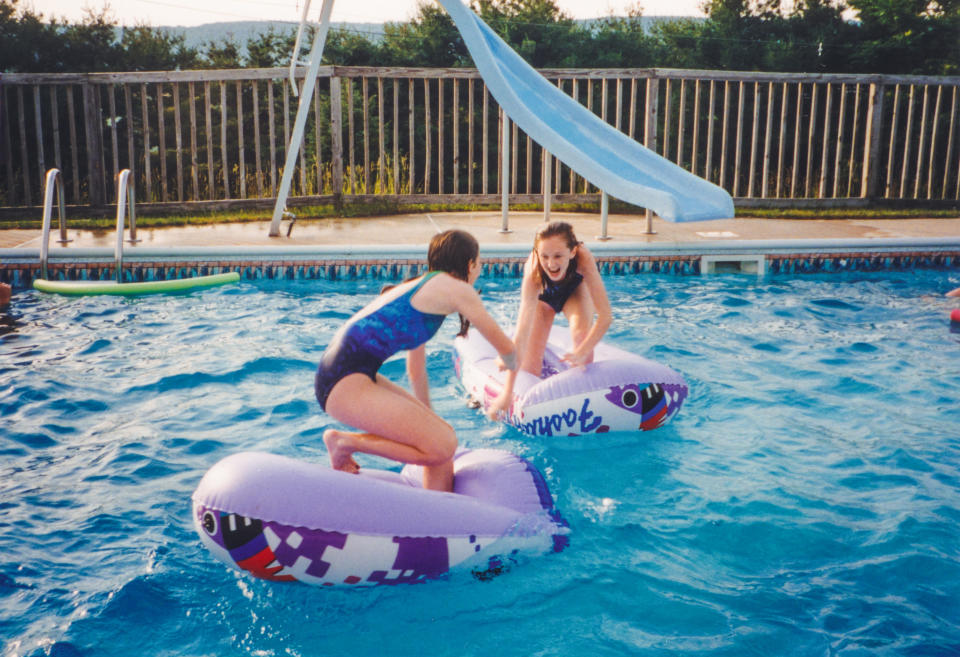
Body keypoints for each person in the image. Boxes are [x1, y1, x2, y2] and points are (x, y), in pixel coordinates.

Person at [316, 229, 517, 492]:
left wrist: (428, 425)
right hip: (342, 379)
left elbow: (416, 371)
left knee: (440, 445)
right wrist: (508, 374)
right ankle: (344, 442)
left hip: (349, 372)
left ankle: (438, 517)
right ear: (469, 265)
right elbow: (507, 349)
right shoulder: (456, 289)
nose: (479, 270)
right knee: (443, 444)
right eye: (479, 264)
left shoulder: (425, 289)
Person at [490, 222, 612, 415]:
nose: (551, 264)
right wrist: (506, 394)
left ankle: (588, 402)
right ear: (537, 253)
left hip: (575, 293)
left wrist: (583, 350)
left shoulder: (584, 259)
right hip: (544, 300)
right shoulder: (533, 272)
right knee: (530, 368)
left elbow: (605, 317)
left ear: (572, 252)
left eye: (558, 256)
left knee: (581, 337)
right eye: (544, 256)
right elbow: (521, 335)